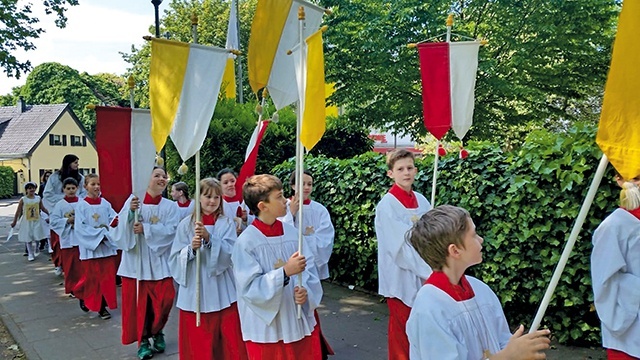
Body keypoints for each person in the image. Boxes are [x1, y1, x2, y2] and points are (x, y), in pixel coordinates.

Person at [406, 205, 551, 359]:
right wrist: (509, 356)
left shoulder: (480, 289)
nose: (481, 239)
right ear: (455, 251)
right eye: (474, 235)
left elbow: (501, 341)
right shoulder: (430, 309)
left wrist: (521, 349)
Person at [231, 174, 323, 360]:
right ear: (263, 206)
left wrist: (304, 291)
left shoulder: (293, 234)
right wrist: (285, 273)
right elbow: (249, 288)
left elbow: (309, 268)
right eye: (279, 197)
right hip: (265, 328)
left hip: (294, 317)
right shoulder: (246, 242)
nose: (285, 201)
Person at [169, 178, 248, 360]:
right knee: (198, 343)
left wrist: (210, 239)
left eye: (216, 197)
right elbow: (174, 258)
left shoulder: (226, 223)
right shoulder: (186, 225)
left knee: (229, 339)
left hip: (222, 288)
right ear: (199, 197)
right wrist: (190, 250)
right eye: (207, 196)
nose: (212, 201)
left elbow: (232, 254)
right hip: (196, 291)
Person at [113, 167, 179, 360]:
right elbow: (118, 231)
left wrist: (147, 229)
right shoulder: (133, 202)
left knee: (165, 300)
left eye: (164, 176)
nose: (161, 179)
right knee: (138, 306)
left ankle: (157, 330)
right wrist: (129, 215)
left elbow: (173, 230)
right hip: (136, 264)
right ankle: (142, 341)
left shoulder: (170, 206)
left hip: (160, 262)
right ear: (146, 178)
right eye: (156, 175)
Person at [374, 149, 432, 360]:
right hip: (400, 277)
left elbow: (432, 236)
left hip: (424, 273)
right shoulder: (387, 206)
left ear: (416, 170)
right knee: (402, 332)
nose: (406, 173)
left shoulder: (423, 201)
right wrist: (430, 271)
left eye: (409, 168)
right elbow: (398, 247)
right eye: (400, 169)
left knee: (421, 331)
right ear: (391, 173)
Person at [280, 170, 335, 358]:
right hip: (289, 268)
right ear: (293, 186)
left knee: (309, 305)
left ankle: (316, 346)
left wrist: (304, 243)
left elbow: (325, 239)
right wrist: (291, 215)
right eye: (302, 183)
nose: (306, 187)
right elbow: (279, 235)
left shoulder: (319, 209)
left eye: (309, 184)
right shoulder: (283, 207)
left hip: (308, 267)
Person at [591, 171, 640, 359]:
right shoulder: (613, 226)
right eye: (635, 177)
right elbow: (605, 282)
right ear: (618, 180)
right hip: (631, 336)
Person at [74, 174, 119, 320]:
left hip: (106, 248)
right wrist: (100, 234)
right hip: (91, 249)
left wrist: (116, 225)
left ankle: (102, 307)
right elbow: (80, 228)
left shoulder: (105, 203)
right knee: (92, 279)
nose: (96, 187)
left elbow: (114, 218)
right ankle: (85, 296)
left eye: (98, 184)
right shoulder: (81, 205)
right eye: (93, 184)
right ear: (85, 186)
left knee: (106, 279)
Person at [43, 155, 86, 276]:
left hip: (77, 209)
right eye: (75, 163)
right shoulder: (55, 177)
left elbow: (83, 193)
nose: (77, 165)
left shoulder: (80, 177)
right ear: (68, 163)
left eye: (78, 162)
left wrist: (76, 201)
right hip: (60, 210)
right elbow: (47, 194)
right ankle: (59, 264)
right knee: (59, 243)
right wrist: (64, 200)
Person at [50, 178, 83, 297]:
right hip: (68, 239)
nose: (71, 191)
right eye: (68, 188)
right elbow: (53, 222)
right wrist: (67, 220)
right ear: (63, 189)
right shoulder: (60, 205)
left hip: (81, 239)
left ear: (77, 189)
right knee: (70, 266)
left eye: (73, 188)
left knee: (81, 266)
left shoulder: (82, 202)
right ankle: (72, 288)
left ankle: (82, 286)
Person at [11, 182, 48, 261]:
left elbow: (43, 208)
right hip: (27, 220)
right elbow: (18, 211)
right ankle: (30, 253)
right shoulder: (23, 199)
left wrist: (50, 214)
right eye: (30, 188)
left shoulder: (38, 198)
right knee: (28, 237)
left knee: (37, 235)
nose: (32, 189)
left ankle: (37, 247)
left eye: (33, 188)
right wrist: (14, 221)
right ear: (26, 190)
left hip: (37, 219)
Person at [217, 168, 254, 235]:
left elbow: (258, 220)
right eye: (225, 183)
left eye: (232, 181)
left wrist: (246, 219)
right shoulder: (218, 205)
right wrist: (232, 233)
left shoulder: (247, 201)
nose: (230, 184)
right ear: (220, 186)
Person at [38, 170, 52, 253]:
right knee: (45, 227)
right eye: (47, 176)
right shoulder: (43, 186)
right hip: (45, 203)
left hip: (51, 203)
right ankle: (44, 243)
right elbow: (40, 195)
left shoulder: (54, 186)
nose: (48, 178)